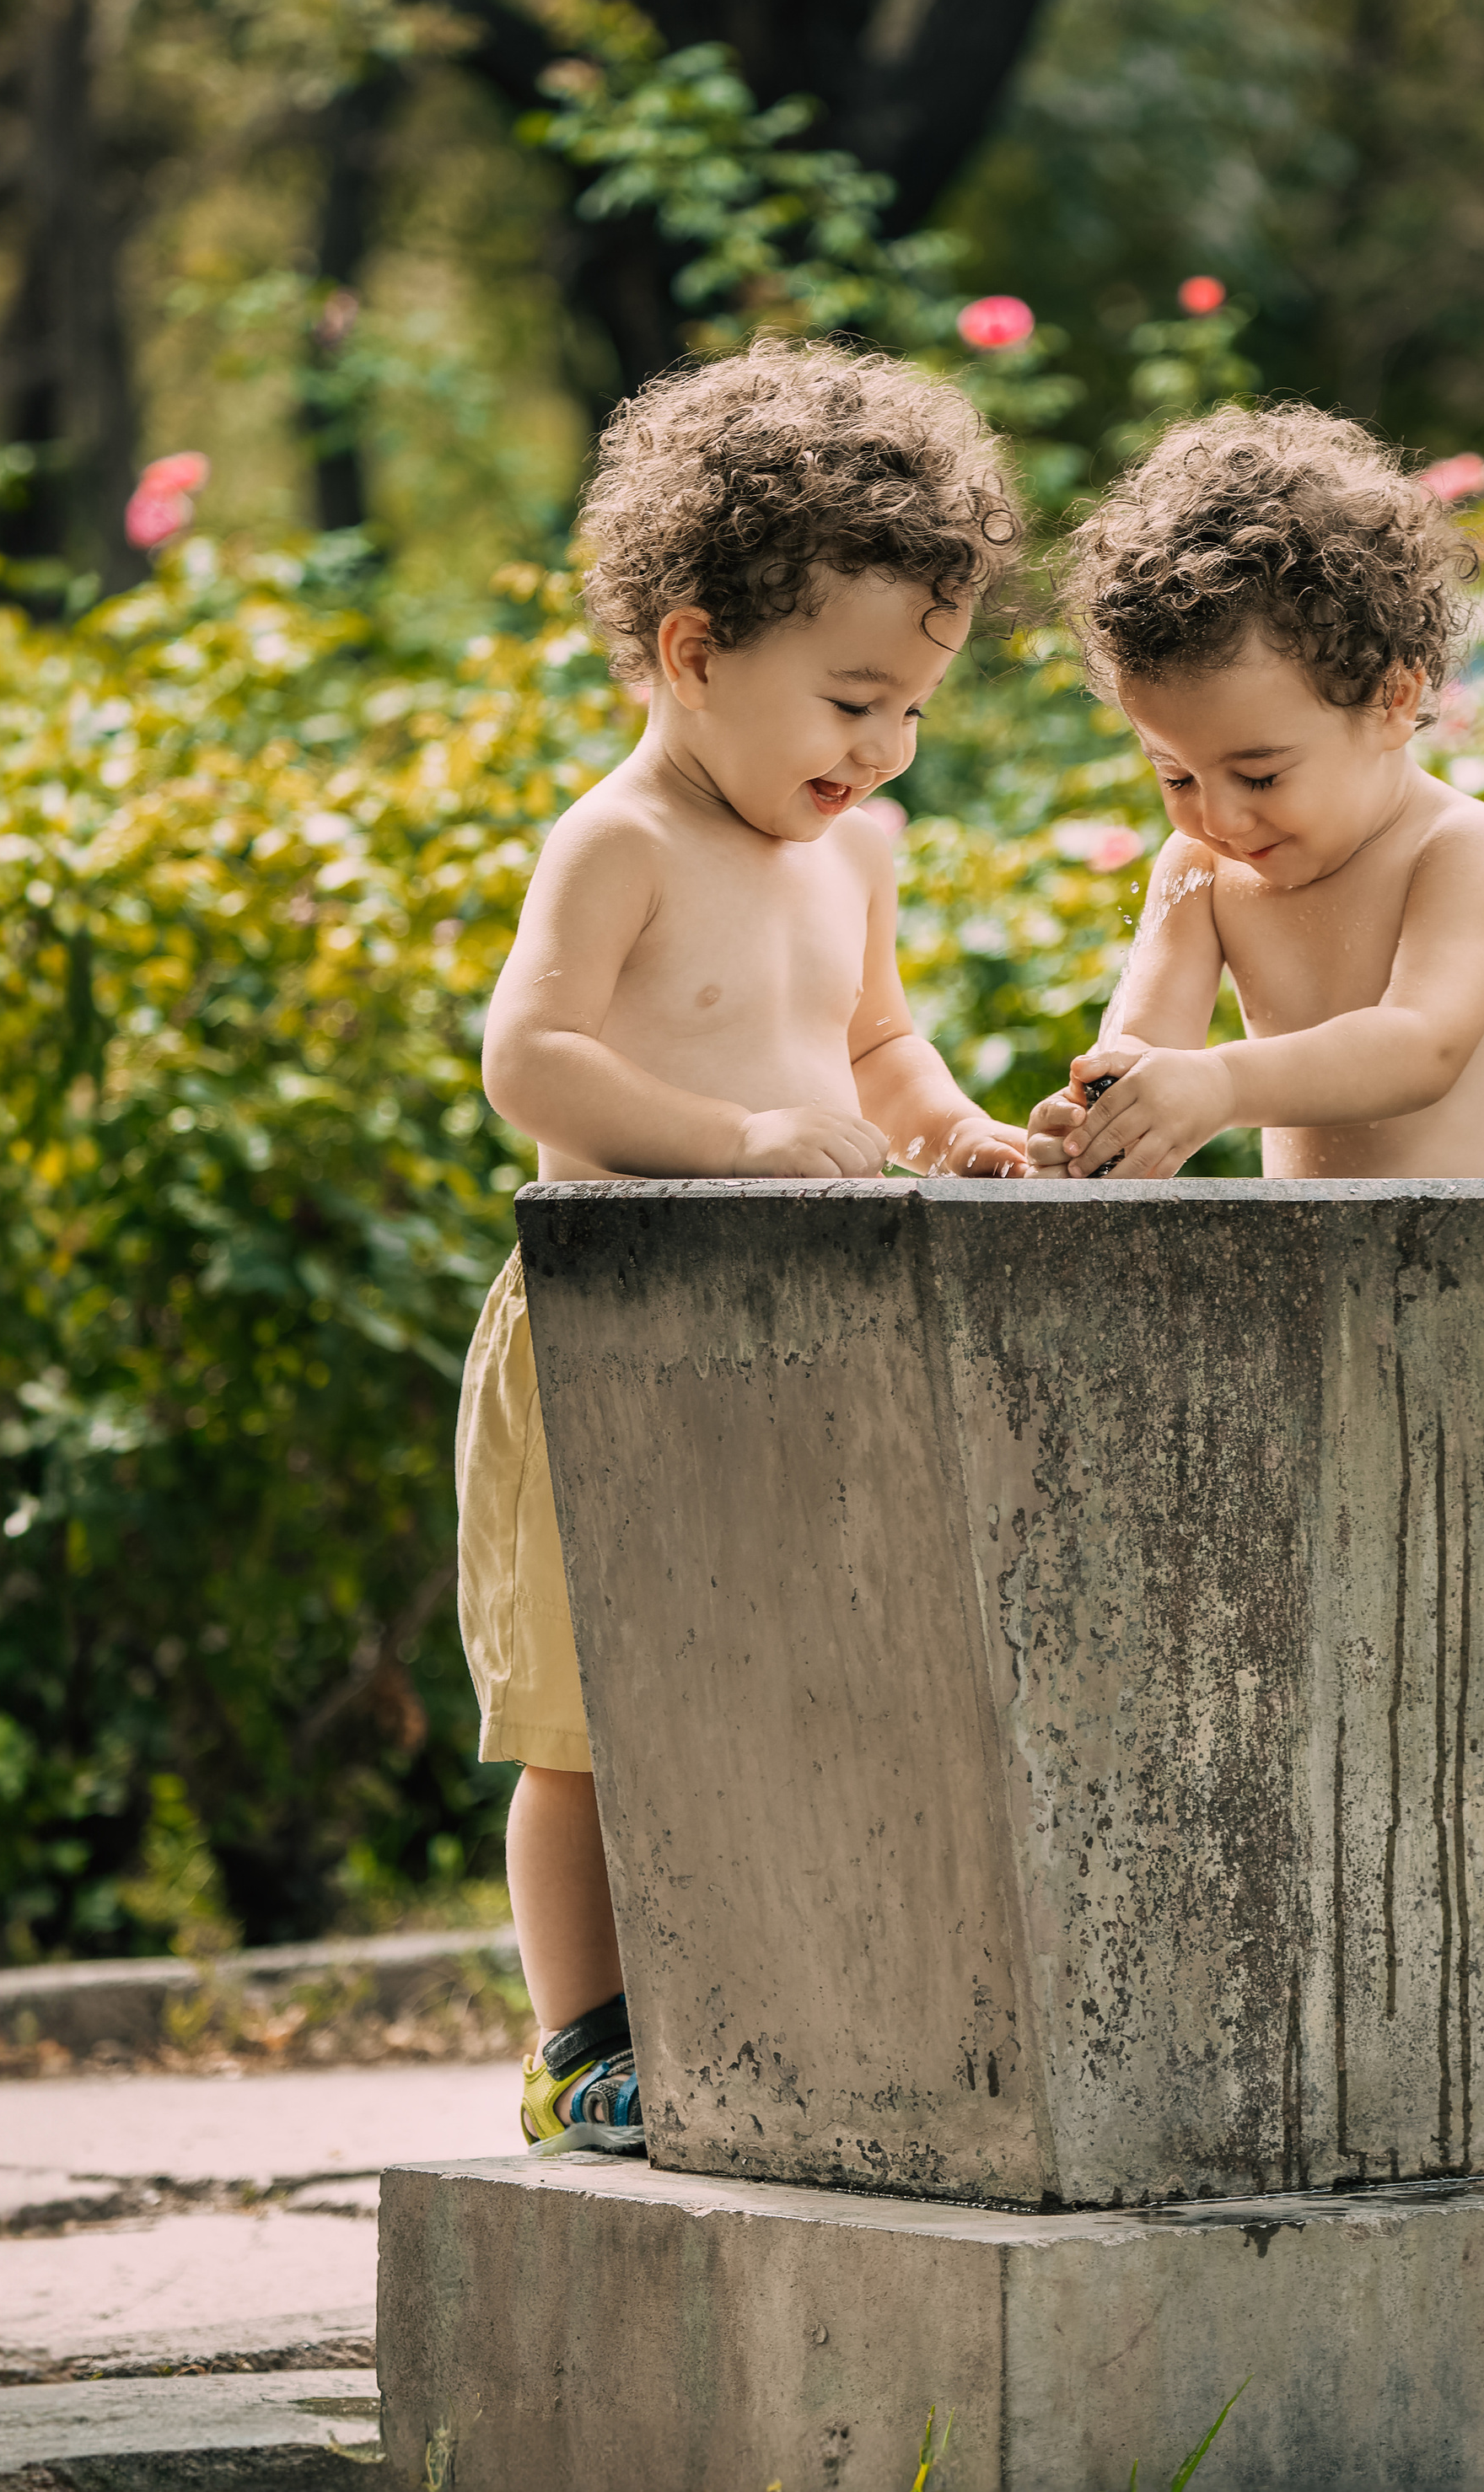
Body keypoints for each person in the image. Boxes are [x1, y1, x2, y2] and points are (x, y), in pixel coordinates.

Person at [1026, 401, 1484, 2155]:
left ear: (1393, 697)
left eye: (1256, 770)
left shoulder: (1456, 851)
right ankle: (1354, 1987)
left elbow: (1410, 1046)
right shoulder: (1199, 879)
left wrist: (1221, 1087)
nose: (1216, 814)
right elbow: (1143, 1043)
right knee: (1337, 1660)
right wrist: (1103, 1110)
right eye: (1173, 772)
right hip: (1326, 1312)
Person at [459, 339, 1030, 2156]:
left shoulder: (852, 855)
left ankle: (757, 1993)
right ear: (696, 652)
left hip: (789, 1337)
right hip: (612, 1313)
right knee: (588, 1707)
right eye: (851, 700)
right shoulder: (618, 838)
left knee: (769, 1679)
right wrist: (729, 1144)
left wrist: (951, 1128)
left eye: (912, 710)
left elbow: (874, 1043)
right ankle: (582, 2034)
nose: (882, 749)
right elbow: (526, 1056)